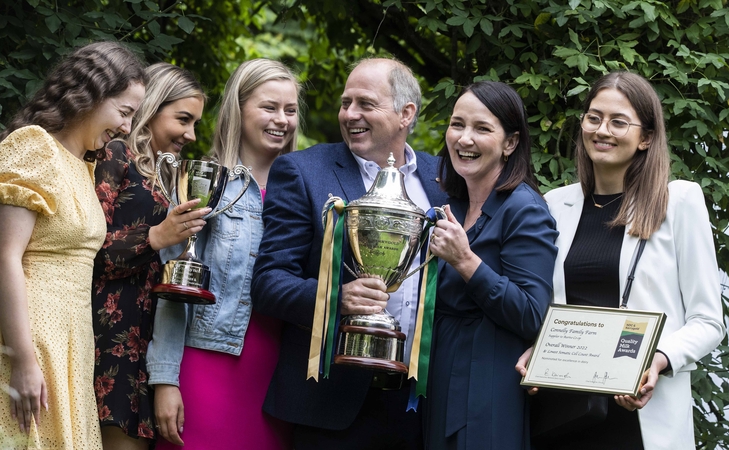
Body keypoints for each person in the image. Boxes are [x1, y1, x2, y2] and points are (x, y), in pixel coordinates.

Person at [515, 71, 725, 450]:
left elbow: (708, 320)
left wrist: (659, 360)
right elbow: (546, 305)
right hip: (562, 414)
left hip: (640, 417)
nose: (602, 130)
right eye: (593, 118)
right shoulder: (553, 204)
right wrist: (538, 347)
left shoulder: (677, 202)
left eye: (618, 122)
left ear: (646, 137)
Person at [250, 57, 448, 450]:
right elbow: (269, 281)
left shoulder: (443, 178)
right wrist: (336, 299)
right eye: (346, 103)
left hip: (421, 404)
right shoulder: (302, 171)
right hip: (333, 407)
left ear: (406, 113)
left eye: (365, 104)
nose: (349, 114)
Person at [147, 58, 301, 449]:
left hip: (279, 377)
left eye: (290, 109)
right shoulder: (203, 182)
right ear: (239, 108)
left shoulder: (309, 190)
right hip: (206, 363)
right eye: (269, 107)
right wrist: (165, 379)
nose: (281, 119)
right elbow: (173, 286)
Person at [0, 41, 146, 449]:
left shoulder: (84, 165)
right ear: (92, 95)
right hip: (29, 339)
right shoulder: (34, 146)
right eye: (124, 112)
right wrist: (22, 358)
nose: (126, 128)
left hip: (72, 343)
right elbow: (4, 257)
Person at [423, 81, 558, 450]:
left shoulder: (525, 209)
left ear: (510, 143)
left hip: (487, 386)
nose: (464, 139)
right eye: (457, 124)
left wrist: (466, 261)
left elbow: (532, 314)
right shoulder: (454, 205)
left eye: (482, 128)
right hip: (441, 378)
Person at [91, 62, 207, 450]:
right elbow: (84, 249)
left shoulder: (170, 174)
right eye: (183, 119)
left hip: (148, 343)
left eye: (196, 124)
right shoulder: (114, 154)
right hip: (107, 341)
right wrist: (156, 236)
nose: (191, 134)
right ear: (153, 106)